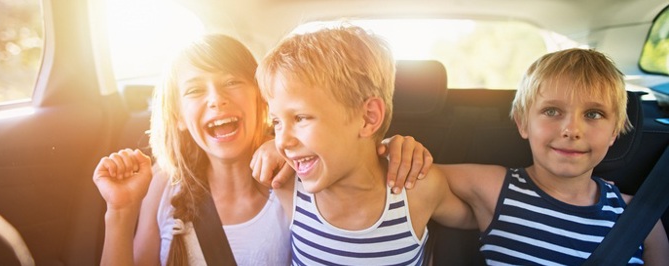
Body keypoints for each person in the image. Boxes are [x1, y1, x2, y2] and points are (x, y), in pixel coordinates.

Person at [92, 34, 433, 266]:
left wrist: (389, 149)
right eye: (195, 91)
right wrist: (120, 212)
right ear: (179, 117)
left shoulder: (299, 180)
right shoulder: (164, 185)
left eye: (231, 82)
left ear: (263, 100)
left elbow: (353, 165)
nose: (216, 99)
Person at [256, 25, 475, 265]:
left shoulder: (417, 191)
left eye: (300, 118)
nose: (282, 141)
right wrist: (264, 146)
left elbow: (481, 217)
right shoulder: (286, 186)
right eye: (276, 121)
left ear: (368, 118)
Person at [436, 48, 669, 265]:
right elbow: (419, 173)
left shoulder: (639, 217)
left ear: (614, 132)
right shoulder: (497, 189)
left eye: (593, 114)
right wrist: (404, 149)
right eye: (552, 111)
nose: (572, 130)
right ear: (523, 123)